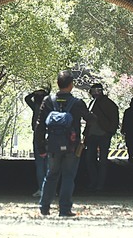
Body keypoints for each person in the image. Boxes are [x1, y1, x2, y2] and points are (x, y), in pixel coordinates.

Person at [35, 70, 95, 217]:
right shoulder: (77, 103)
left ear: (58, 84)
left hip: (53, 146)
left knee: (51, 175)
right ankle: (64, 209)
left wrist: (41, 146)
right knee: (68, 176)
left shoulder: (48, 101)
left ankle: (44, 207)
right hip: (71, 146)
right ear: (71, 85)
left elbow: (40, 125)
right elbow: (91, 119)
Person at [84, 82, 119, 191]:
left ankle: (100, 184)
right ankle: (94, 181)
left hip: (103, 134)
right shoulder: (91, 103)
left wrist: (109, 132)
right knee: (89, 159)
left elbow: (114, 119)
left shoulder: (109, 104)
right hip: (91, 135)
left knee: (102, 161)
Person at [25, 88, 49, 197]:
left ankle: (41, 188)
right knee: (50, 165)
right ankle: (50, 188)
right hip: (50, 137)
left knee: (40, 164)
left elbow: (27, 98)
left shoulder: (36, 107)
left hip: (38, 136)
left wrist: (33, 93)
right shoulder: (50, 107)